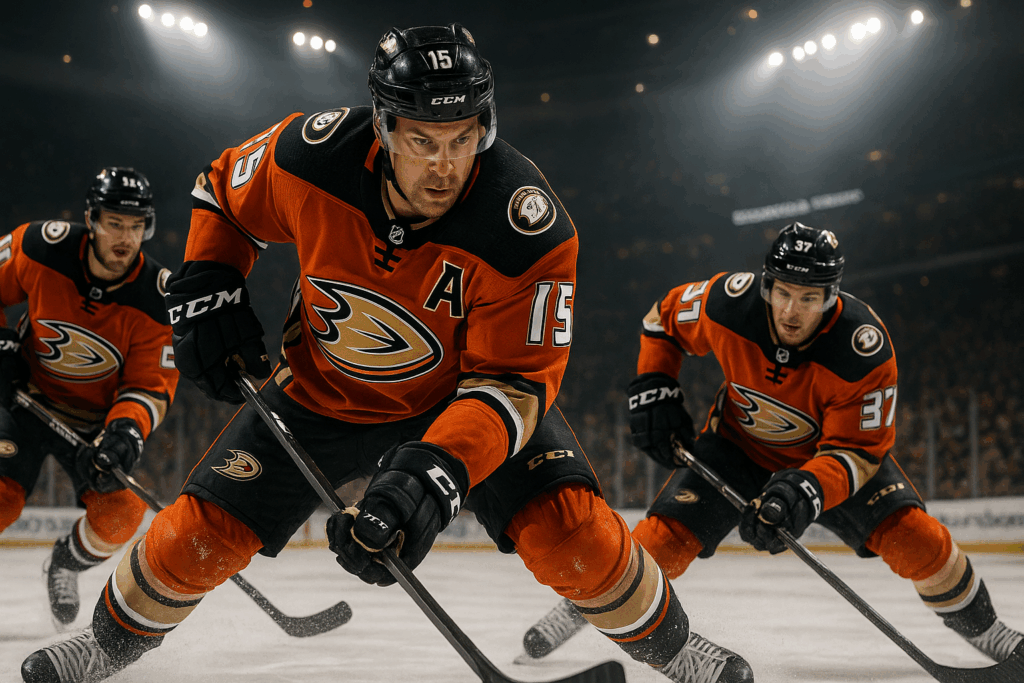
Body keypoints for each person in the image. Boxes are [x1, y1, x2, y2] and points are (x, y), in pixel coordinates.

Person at [21, 24, 752, 683]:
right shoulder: (309, 156)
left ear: (486, 125)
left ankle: (678, 652)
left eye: (463, 138)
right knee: (199, 532)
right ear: (383, 124)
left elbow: (516, 384)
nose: (445, 166)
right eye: (423, 141)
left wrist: (435, 472)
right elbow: (221, 192)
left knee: (572, 530)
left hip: (459, 401)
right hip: (318, 389)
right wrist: (213, 279)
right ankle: (103, 647)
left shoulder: (528, 229)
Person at [519, 222, 1024, 669]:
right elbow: (661, 320)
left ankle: (991, 634)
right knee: (662, 541)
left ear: (831, 297)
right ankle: (579, 608)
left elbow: (858, 450)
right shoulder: (727, 303)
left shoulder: (863, 349)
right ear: (766, 285)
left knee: (918, 539)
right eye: (783, 292)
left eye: (809, 298)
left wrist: (805, 489)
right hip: (735, 447)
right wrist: (656, 385)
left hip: (826, 462)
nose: (791, 311)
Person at [0, 167, 178, 632]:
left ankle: (64, 562)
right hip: (23, 398)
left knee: (122, 515)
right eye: (115, 223)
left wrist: (126, 431)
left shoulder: (158, 298)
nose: (126, 238)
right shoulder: (39, 247)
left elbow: (151, 383)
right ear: (91, 220)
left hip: (93, 423)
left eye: (136, 226)